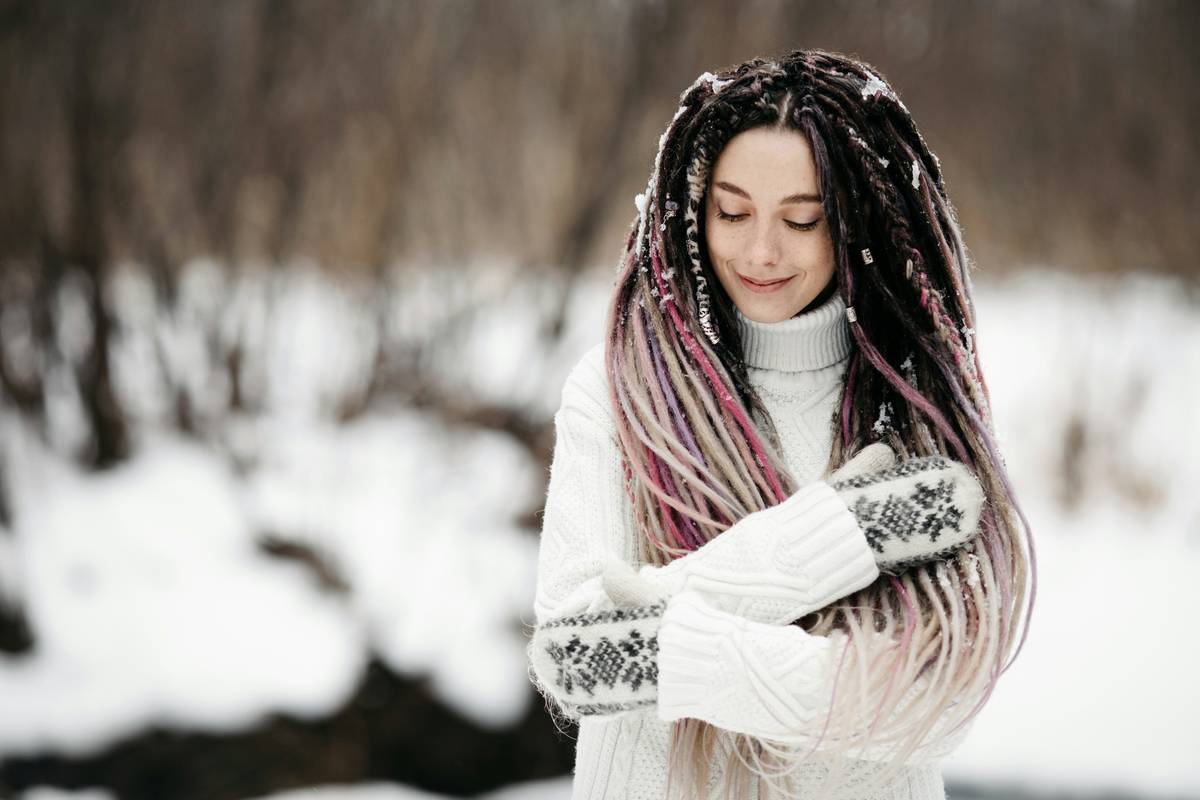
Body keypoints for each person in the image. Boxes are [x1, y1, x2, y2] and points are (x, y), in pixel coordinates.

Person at [526, 48, 1035, 800]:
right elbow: (575, 660)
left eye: (803, 220)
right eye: (732, 213)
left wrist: (678, 640)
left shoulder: (912, 404)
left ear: (856, 221)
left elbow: (933, 708)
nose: (760, 251)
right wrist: (844, 531)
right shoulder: (618, 390)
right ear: (693, 213)